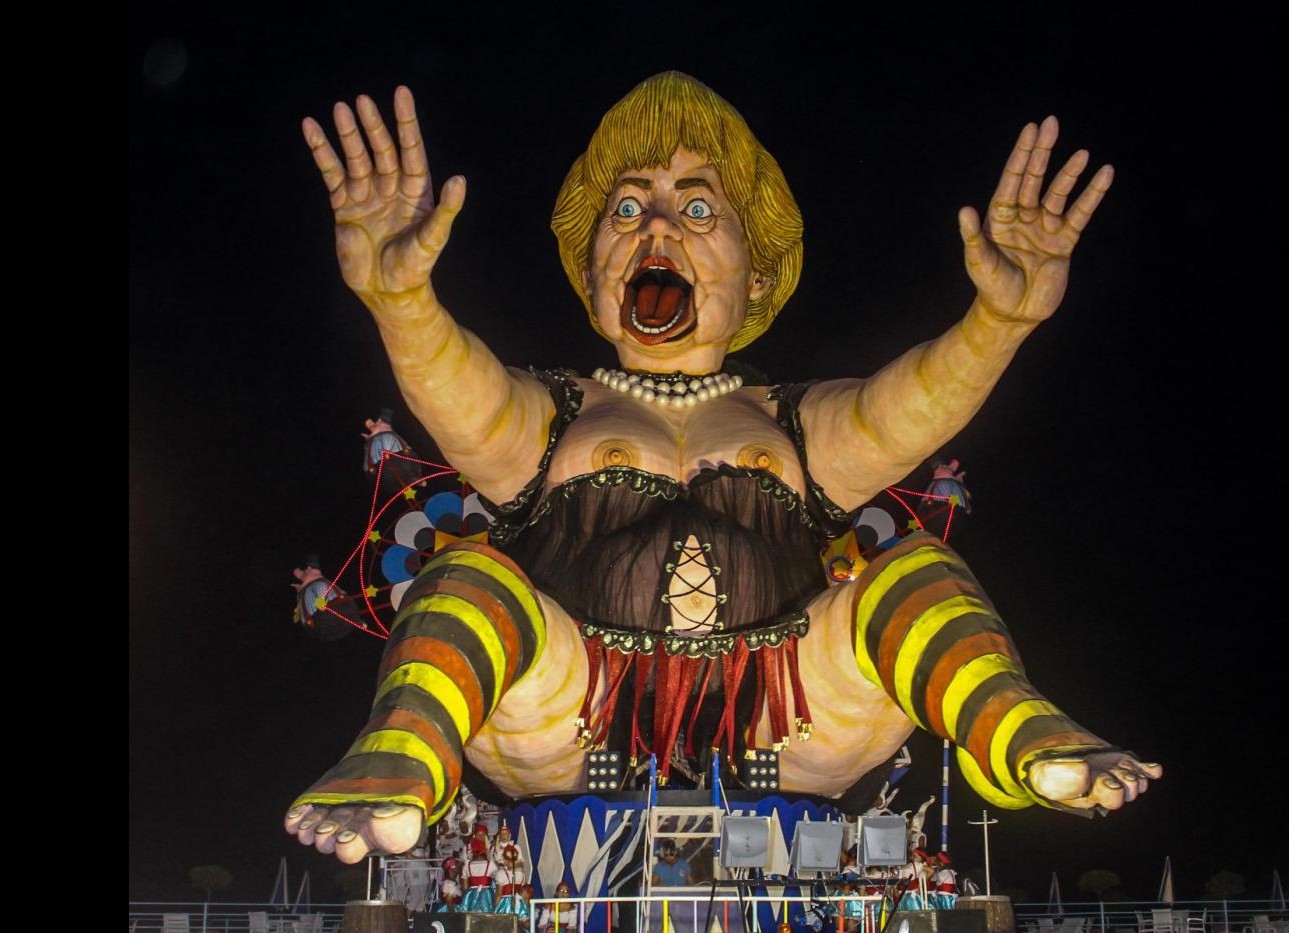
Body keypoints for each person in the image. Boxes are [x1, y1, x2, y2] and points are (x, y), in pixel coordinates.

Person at [285, 72, 1161, 865]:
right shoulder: (557, 410)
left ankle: (1014, 724)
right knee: (465, 580)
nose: (657, 225)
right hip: (571, 705)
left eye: (698, 210)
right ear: (593, 272)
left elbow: (914, 403)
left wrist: (998, 321)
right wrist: (400, 301)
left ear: (757, 275)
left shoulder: (789, 418)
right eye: (626, 211)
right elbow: (457, 388)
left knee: (918, 571)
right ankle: (398, 754)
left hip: (788, 707)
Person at [494, 844, 532, 928]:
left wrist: (496, 910)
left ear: (505, 860)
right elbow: (522, 894)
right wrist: (525, 909)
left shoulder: (501, 873)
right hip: (519, 905)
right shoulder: (522, 874)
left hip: (505, 905)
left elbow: (498, 895)